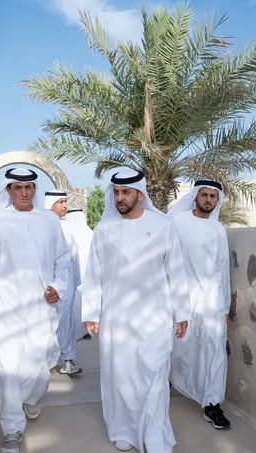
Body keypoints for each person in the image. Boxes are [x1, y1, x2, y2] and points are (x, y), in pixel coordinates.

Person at [82, 169, 191, 453]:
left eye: (126, 192)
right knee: (120, 376)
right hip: (116, 318)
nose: (120, 197)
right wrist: (91, 312)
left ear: (140, 195)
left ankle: (155, 436)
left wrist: (182, 312)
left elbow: (176, 270)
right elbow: (94, 274)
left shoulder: (163, 225)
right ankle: (123, 429)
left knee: (154, 376)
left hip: (156, 316)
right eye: (116, 192)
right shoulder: (104, 229)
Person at [0, 168, 71, 453]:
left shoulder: (49, 220)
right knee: (6, 368)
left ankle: (32, 397)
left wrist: (58, 286)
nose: (23, 193)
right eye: (17, 188)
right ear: (8, 190)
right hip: (2, 306)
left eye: (28, 187)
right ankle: (11, 428)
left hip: (40, 305)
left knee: (40, 366)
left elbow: (63, 259)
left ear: (34, 190)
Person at [167, 180, 232, 430]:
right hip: (180, 296)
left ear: (217, 200)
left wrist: (224, 306)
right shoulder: (176, 221)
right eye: (204, 195)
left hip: (212, 300)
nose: (208, 200)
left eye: (213, 197)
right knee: (179, 347)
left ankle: (212, 404)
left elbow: (222, 268)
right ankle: (170, 382)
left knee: (215, 349)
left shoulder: (218, 229)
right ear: (195, 196)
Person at [43, 190, 82, 375]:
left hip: (66, 284)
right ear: (50, 204)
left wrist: (74, 282)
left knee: (66, 322)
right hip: (46, 284)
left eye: (66, 202)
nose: (65, 206)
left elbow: (74, 256)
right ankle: (44, 361)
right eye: (61, 202)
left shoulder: (67, 227)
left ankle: (68, 360)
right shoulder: (40, 225)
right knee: (46, 323)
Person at [66, 208, 93, 341]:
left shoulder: (67, 233)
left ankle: (77, 331)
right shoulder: (90, 233)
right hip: (87, 276)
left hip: (75, 276)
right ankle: (87, 330)